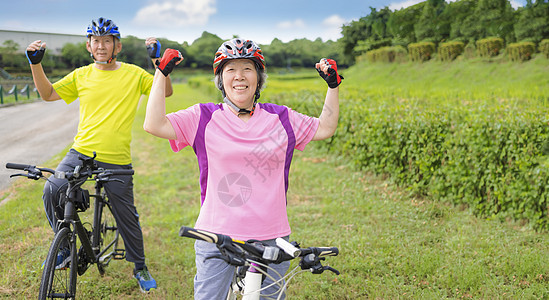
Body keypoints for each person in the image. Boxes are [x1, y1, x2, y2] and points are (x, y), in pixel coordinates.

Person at [143, 38, 342, 299]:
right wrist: (161, 73)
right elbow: (153, 124)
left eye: (247, 69)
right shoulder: (203, 117)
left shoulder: (281, 118)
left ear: (258, 79)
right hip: (216, 236)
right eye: (230, 70)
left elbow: (325, 127)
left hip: (272, 237)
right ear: (221, 79)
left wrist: (333, 86)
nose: (239, 77)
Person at [25, 17, 173, 293]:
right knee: (52, 188)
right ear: (89, 46)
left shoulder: (133, 73)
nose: (101, 46)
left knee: (126, 214)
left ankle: (139, 266)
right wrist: (36, 63)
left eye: (107, 41)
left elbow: (165, 90)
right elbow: (47, 94)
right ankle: (66, 245)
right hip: (80, 151)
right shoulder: (82, 74)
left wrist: (157, 63)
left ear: (117, 46)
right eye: (96, 41)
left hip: (116, 157)